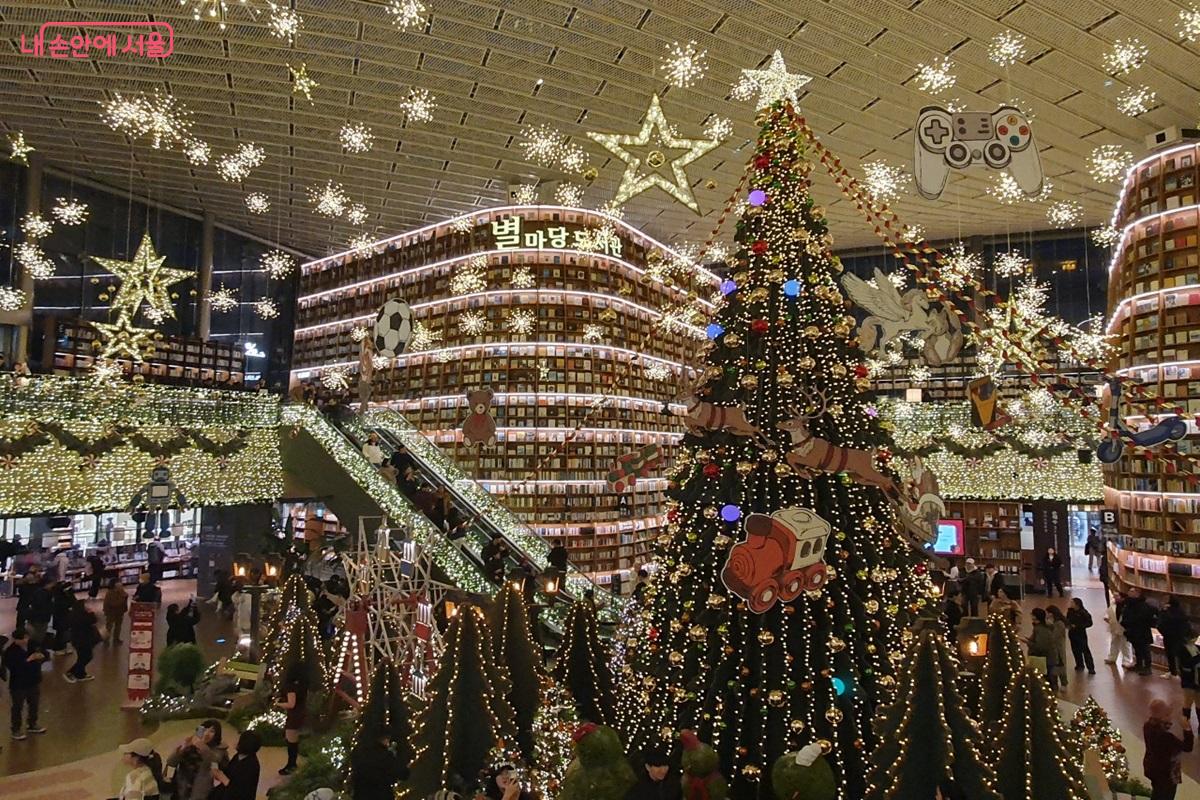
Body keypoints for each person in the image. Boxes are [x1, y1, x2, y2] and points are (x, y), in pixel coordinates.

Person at [1143, 698, 1193, 800]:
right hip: (1166, 774)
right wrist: (1187, 729)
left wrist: (1166, 711)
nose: (1171, 717)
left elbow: (1162, 719)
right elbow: (1188, 747)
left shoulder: (1147, 726)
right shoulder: (1166, 737)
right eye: (1168, 714)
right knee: (1166, 795)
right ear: (1163, 717)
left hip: (1151, 767)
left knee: (1157, 792)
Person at [167, 719, 229, 800]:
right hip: (180, 791)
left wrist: (204, 749)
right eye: (205, 729)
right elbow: (171, 762)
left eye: (212, 731)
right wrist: (182, 749)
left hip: (201, 794)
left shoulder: (219, 750)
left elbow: (220, 767)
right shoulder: (191, 744)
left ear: (217, 735)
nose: (206, 734)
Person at [3, 628, 47, 740]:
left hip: (33, 680)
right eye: (22, 639)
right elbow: (13, 667)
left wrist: (42, 657)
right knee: (17, 707)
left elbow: (45, 654)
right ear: (16, 640)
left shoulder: (33, 645)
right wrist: (29, 659)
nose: (25, 640)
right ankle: (16, 729)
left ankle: (32, 724)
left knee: (34, 704)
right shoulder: (10, 652)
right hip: (18, 684)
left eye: (26, 638)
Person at [349, 728, 409, 800]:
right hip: (381, 794)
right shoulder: (384, 755)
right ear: (385, 739)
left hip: (360, 794)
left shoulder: (358, 751)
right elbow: (403, 773)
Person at [277, 662, 309, 775]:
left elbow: (291, 704)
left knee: (291, 741)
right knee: (293, 740)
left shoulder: (291, 686)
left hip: (294, 715)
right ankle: (292, 764)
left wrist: (279, 704)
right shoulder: (303, 685)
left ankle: (291, 765)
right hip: (301, 713)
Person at [211, 730, 261, 800]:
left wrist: (225, 780)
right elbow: (229, 771)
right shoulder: (238, 756)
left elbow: (242, 793)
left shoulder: (252, 766)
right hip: (225, 792)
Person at [1122, 587, 1158, 676]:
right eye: (1129, 591)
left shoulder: (1144, 605)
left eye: (1132, 591)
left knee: (1145, 650)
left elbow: (1151, 616)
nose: (1129, 593)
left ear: (1138, 594)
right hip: (1132, 630)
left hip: (1142, 631)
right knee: (1137, 649)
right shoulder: (1129, 603)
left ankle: (1147, 667)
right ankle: (1139, 665)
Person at [1157, 596, 1190, 678]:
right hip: (1179, 637)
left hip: (1170, 636)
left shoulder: (1167, 612)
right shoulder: (1181, 611)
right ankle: (1179, 673)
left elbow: (1161, 624)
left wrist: (1163, 611)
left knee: (1172, 655)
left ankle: (1173, 672)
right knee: (1179, 655)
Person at [1026, 608, 1060, 686]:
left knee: (1046, 680)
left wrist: (1028, 642)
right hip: (1046, 659)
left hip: (1044, 660)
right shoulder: (1042, 627)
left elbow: (1040, 646)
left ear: (1035, 617)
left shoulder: (1041, 629)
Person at [65, 604, 99, 682]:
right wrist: (91, 612)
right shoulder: (84, 616)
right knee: (87, 657)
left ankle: (81, 673)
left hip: (76, 640)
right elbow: (94, 620)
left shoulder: (73, 614)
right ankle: (73, 672)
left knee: (82, 656)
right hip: (84, 640)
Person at [1066, 597, 1096, 675]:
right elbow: (1067, 620)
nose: (1070, 604)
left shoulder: (1083, 612)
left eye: (1072, 602)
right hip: (1072, 633)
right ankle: (1079, 664)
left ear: (1077, 604)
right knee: (1075, 650)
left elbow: (1089, 623)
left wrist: (1078, 626)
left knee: (1085, 650)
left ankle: (1091, 668)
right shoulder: (1070, 612)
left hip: (1080, 634)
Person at [1105, 592, 1133, 667]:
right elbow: (1109, 612)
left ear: (1122, 597)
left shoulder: (1127, 606)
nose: (1114, 597)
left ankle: (1127, 660)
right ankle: (1112, 657)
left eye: (1117, 596)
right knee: (1114, 642)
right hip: (1114, 626)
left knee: (1125, 645)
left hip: (1124, 628)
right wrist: (1107, 617)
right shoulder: (1113, 603)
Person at [1046, 605, 1070, 690]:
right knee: (1053, 667)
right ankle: (1054, 684)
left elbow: (1054, 636)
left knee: (1060, 666)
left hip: (1058, 649)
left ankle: (1064, 683)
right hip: (1052, 649)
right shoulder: (1051, 623)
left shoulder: (1059, 624)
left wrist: (1050, 626)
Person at [1180, 633, 1200, 730]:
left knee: (1199, 702)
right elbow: (1186, 664)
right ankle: (1186, 724)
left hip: (1197, 678)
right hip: (1188, 679)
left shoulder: (1196, 647)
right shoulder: (1182, 650)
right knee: (1188, 702)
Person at [50, 582, 76, 655]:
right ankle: (59, 648)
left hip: (63, 617)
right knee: (61, 633)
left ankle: (63, 647)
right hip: (61, 617)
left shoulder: (59, 595)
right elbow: (70, 603)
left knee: (63, 632)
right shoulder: (59, 597)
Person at [103, 577, 129, 645]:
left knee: (118, 626)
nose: (120, 583)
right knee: (109, 626)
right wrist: (123, 597)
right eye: (118, 582)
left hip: (119, 612)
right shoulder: (110, 593)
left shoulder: (121, 591)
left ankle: (116, 639)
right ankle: (106, 640)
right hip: (111, 612)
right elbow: (114, 603)